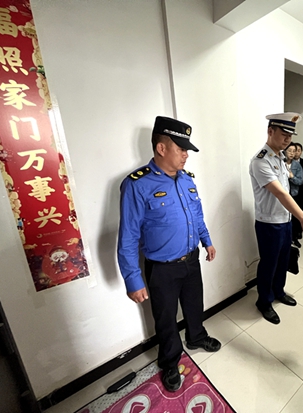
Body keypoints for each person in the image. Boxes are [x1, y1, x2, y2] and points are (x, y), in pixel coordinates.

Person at [117, 116, 221, 393]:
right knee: (165, 318)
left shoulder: (187, 180)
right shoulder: (137, 184)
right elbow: (128, 236)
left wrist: (206, 240)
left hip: (191, 259)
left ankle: (196, 337)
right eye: (181, 148)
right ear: (161, 148)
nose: (186, 154)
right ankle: (171, 361)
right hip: (162, 267)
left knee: (194, 304)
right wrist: (132, 279)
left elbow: (197, 215)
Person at [249, 112, 303, 324]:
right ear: (270, 131)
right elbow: (281, 193)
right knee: (269, 264)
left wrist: (294, 218)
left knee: (282, 261)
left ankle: (278, 291)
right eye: (284, 134)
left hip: (285, 220)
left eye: (291, 135)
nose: (288, 139)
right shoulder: (260, 161)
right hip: (269, 223)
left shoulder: (280, 158)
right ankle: (264, 301)